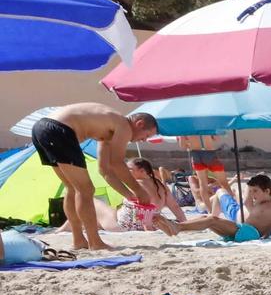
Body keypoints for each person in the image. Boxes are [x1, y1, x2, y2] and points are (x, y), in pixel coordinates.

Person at [28, 104, 156, 251]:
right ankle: (95, 242)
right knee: (86, 189)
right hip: (60, 130)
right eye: (146, 136)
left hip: (41, 128)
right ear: (139, 124)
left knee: (72, 188)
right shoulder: (124, 125)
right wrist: (139, 190)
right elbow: (117, 163)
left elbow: (105, 170)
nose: (143, 140)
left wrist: (129, 195)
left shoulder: (107, 126)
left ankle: (78, 240)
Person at [114, 159, 185, 232]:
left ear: (142, 171)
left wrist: (148, 230)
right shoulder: (160, 185)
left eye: (129, 169)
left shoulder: (136, 185)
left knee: (105, 207)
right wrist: (184, 222)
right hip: (154, 224)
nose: (126, 172)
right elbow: (174, 206)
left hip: (131, 225)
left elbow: (143, 211)